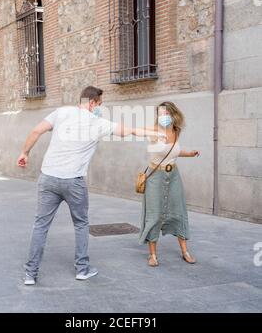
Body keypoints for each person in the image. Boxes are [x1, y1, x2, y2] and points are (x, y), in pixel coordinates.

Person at [17, 86, 161, 285]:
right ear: (92, 103)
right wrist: (154, 133)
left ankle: (30, 274)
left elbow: (36, 130)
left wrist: (24, 153)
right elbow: (129, 131)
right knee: (81, 224)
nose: (100, 107)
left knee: (40, 225)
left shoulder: (61, 112)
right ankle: (82, 269)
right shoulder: (98, 122)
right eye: (100, 104)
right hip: (74, 182)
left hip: (48, 178)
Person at [139, 101, 200, 267]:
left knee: (178, 210)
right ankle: (152, 255)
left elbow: (175, 152)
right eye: (160, 113)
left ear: (172, 114)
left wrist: (190, 153)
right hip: (155, 176)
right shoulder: (153, 131)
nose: (162, 116)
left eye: (165, 113)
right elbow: (155, 150)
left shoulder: (176, 130)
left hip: (173, 175)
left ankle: (185, 251)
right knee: (155, 213)